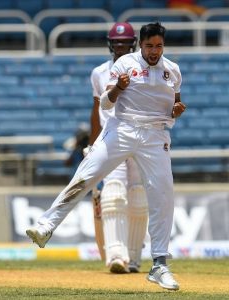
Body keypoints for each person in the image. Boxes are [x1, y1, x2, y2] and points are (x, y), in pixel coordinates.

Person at [26, 22, 186, 291]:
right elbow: (107, 103)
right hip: (122, 129)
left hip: (155, 136)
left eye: (159, 46)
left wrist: (176, 112)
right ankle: (45, 226)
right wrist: (118, 88)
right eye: (150, 46)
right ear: (142, 45)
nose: (154, 51)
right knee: (86, 175)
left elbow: (172, 108)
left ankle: (159, 265)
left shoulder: (172, 71)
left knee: (163, 196)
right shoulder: (124, 65)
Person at [88, 22, 149, 273]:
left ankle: (133, 258)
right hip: (111, 140)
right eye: (117, 42)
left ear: (133, 43)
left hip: (141, 138)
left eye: (125, 43)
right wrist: (92, 145)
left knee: (138, 197)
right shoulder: (99, 73)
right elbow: (96, 110)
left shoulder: (146, 71)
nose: (121, 47)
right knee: (113, 192)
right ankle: (116, 255)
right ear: (110, 43)